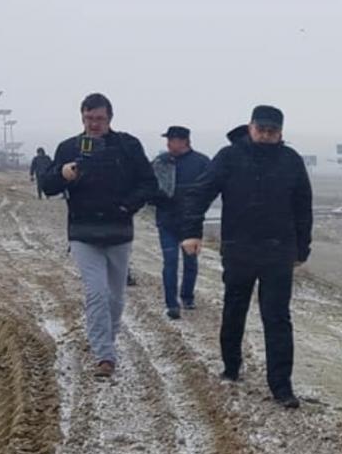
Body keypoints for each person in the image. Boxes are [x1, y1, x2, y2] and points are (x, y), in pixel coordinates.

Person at [180, 105, 313, 409]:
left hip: (279, 251)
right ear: (250, 127)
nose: (266, 135)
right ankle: (231, 367)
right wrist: (192, 232)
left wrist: (301, 249)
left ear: (280, 133)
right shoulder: (229, 157)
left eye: (272, 131)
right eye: (261, 129)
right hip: (239, 248)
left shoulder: (291, 161)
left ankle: (282, 387)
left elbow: (303, 207)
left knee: (278, 318)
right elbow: (199, 193)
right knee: (234, 309)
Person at [39, 93, 157, 378]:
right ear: (82, 117)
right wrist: (63, 174)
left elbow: (149, 183)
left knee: (115, 298)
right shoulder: (68, 148)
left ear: (110, 118)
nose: (94, 124)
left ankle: (107, 339)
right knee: (97, 293)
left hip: (119, 231)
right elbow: (49, 185)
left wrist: (128, 205)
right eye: (89, 118)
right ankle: (104, 354)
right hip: (83, 232)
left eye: (99, 119)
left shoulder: (128, 146)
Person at [151, 126, 208, 319]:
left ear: (184, 141)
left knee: (191, 262)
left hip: (190, 223)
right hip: (166, 221)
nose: (168, 143)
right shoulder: (160, 162)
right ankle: (171, 304)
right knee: (170, 262)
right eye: (167, 139)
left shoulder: (201, 163)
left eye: (172, 139)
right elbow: (149, 186)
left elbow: (208, 190)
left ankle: (187, 296)